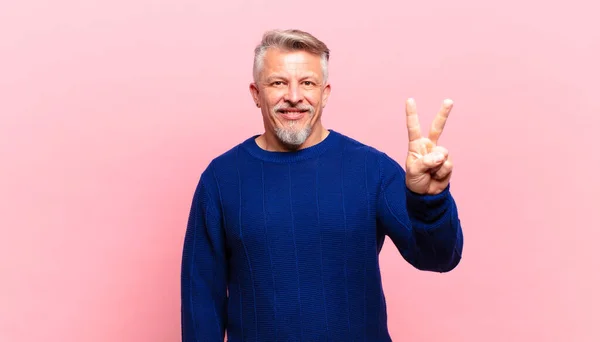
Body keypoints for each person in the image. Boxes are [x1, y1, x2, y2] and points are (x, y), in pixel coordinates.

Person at [180, 29, 464, 342]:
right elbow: (200, 301)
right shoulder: (220, 180)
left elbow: (439, 258)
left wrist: (430, 201)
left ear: (325, 93)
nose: (293, 96)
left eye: (307, 83)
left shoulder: (373, 170)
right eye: (278, 82)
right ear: (256, 93)